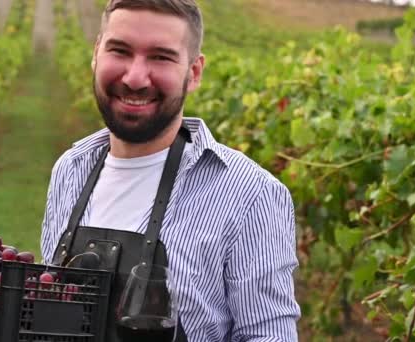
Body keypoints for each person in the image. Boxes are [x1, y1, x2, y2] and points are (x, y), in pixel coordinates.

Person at [40, 0, 301, 341]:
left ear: (193, 73)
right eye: (119, 50)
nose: (134, 78)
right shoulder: (70, 170)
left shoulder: (250, 194)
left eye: (160, 57)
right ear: (96, 55)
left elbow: (269, 335)